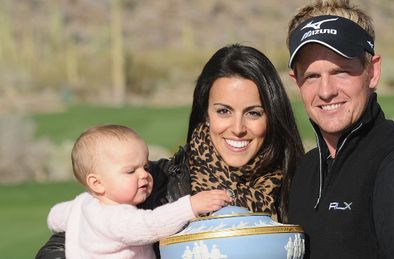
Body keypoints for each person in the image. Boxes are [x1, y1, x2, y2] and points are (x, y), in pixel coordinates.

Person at [36, 44, 304, 258]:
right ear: (206, 114)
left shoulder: (301, 180)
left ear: (272, 115)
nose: (237, 128)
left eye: (253, 113)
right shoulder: (153, 181)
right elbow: (65, 239)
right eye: (223, 111)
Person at [285, 0, 394, 258]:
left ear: (373, 72)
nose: (326, 91)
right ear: (296, 81)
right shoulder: (306, 171)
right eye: (312, 76)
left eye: (341, 71)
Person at [46, 124, 231, 258]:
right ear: (97, 183)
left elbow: (54, 217)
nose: (144, 174)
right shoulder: (115, 217)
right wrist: (191, 205)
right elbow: (151, 225)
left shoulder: (81, 204)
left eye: (145, 166)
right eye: (130, 171)